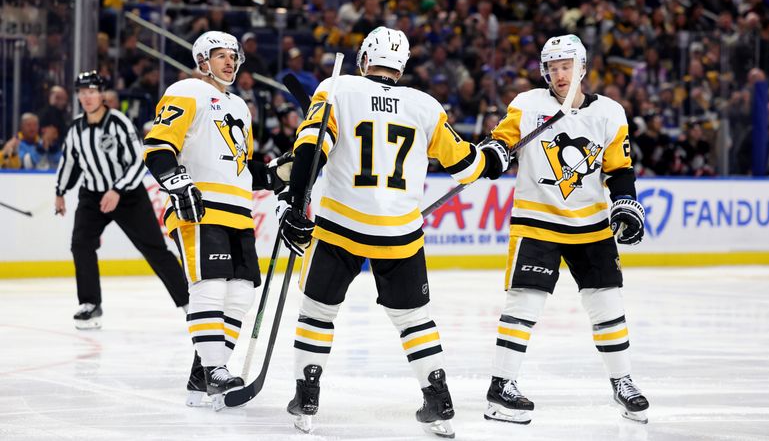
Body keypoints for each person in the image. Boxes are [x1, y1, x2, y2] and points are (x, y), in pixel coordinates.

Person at [278, 27, 509, 437]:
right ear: (401, 65)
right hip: (400, 233)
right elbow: (466, 166)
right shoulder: (425, 105)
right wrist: (492, 158)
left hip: (339, 227)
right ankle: (438, 399)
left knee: (317, 312)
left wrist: (295, 206)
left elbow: (311, 150)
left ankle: (307, 394)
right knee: (415, 320)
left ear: (365, 57)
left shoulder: (338, 89)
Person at [481, 35, 649, 425]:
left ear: (583, 68)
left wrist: (625, 203)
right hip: (537, 221)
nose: (559, 74)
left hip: (590, 225)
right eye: (553, 67)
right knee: (524, 303)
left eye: (566, 66)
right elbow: (502, 142)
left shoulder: (610, 112)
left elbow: (619, 169)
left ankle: (622, 382)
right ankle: (501, 387)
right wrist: (492, 155)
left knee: (607, 304)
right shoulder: (526, 105)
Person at [142, 31, 289, 409]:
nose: (230, 62)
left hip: (240, 212)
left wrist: (278, 171)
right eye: (220, 55)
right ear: (202, 60)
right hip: (201, 208)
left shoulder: (241, 107)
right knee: (209, 285)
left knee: (240, 294)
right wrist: (177, 183)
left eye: (233, 56)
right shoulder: (186, 91)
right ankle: (215, 369)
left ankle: (201, 375)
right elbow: (158, 145)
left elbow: (241, 168)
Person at [54, 71, 189, 329]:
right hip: (92, 196)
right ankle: (90, 304)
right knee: (81, 244)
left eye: (92, 91)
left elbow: (140, 161)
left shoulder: (119, 123)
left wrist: (117, 190)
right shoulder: (75, 129)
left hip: (128, 195)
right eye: (82, 93)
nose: (87, 97)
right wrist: (60, 192)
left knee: (154, 248)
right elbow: (69, 162)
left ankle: (188, 301)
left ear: (102, 94)